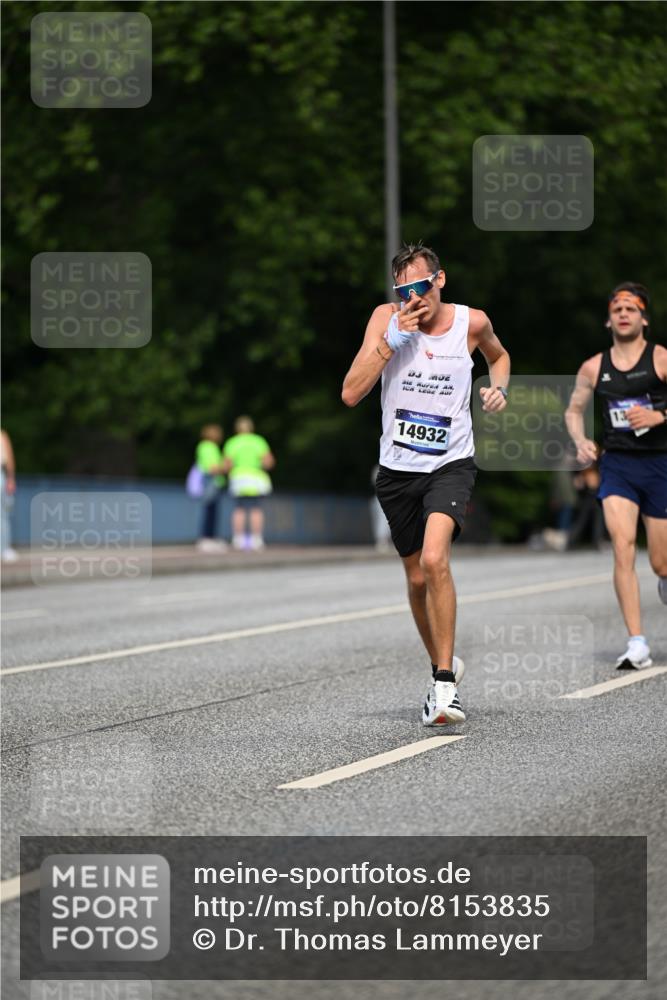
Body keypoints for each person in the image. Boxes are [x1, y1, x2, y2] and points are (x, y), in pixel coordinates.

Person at [342, 243, 510, 725]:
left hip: (450, 463)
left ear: (440, 280)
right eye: (403, 291)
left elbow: (500, 357)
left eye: (420, 286)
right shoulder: (387, 319)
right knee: (416, 577)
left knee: (436, 559)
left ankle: (442, 686)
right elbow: (352, 392)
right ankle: (442, 660)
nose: (413, 298)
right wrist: (390, 340)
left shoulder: (470, 322)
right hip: (397, 469)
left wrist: (497, 388)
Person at [565, 282, 667, 669]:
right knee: (622, 548)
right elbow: (573, 411)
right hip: (618, 466)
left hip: (659, 464)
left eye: (632, 308)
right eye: (617, 308)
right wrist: (580, 440)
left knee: (661, 562)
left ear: (644, 318)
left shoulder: (660, 360)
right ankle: (637, 642)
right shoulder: (594, 367)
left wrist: (660, 416)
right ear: (609, 320)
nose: (624, 313)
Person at [223, 416, 275, 550]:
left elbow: (227, 464)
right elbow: (269, 462)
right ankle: (256, 539)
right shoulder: (258, 441)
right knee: (255, 508)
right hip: (255, 477)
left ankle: (238, 539)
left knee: (239, 508)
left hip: (239, 477)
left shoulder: (232, 442)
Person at [195, 424, 227, 553]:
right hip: (210, 482)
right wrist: (225, 467)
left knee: (212, 510)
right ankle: (207, 538)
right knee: (210, 510)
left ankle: (210, 537)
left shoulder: (205, 446)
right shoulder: (209, 447)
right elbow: (212, 468)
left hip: (212, 482)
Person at [1, 428, 18, 562]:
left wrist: (10, 478)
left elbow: (8, 458)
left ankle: (4, 548)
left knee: (2, 514)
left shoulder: (2, 435)